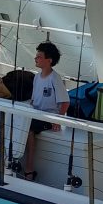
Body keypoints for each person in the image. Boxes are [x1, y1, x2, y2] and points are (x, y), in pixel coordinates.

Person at [22, 41, 69, 181]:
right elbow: (33, 100)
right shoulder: (36, 77)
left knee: (29, 129)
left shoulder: (55, 79)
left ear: (49, 61)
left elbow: (65, 102)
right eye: (36, 56)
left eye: (39, 57)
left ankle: (29, 168)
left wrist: (57, 120)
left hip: (48, 117)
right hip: (35, 114)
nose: (35, 59)